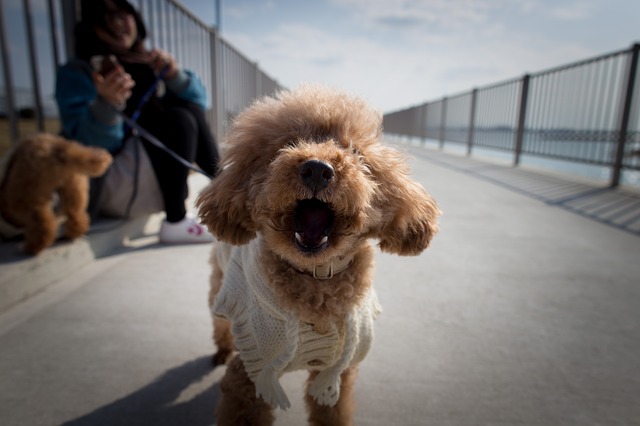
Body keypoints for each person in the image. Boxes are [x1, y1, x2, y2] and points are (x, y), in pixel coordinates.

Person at [55, 0, 219, 244]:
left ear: (136, 19)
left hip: (152, 178)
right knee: (179, 118)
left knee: (186, 107)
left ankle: (227, 192)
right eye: (106, 17)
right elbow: (87, 148)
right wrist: (106, 106)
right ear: (92, 27)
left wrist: (176, 77)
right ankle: (177, 219)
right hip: (113, 184)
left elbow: (200, 104)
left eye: (124, 13)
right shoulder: (79, 72)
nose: (118, 22)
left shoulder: (147, 62)